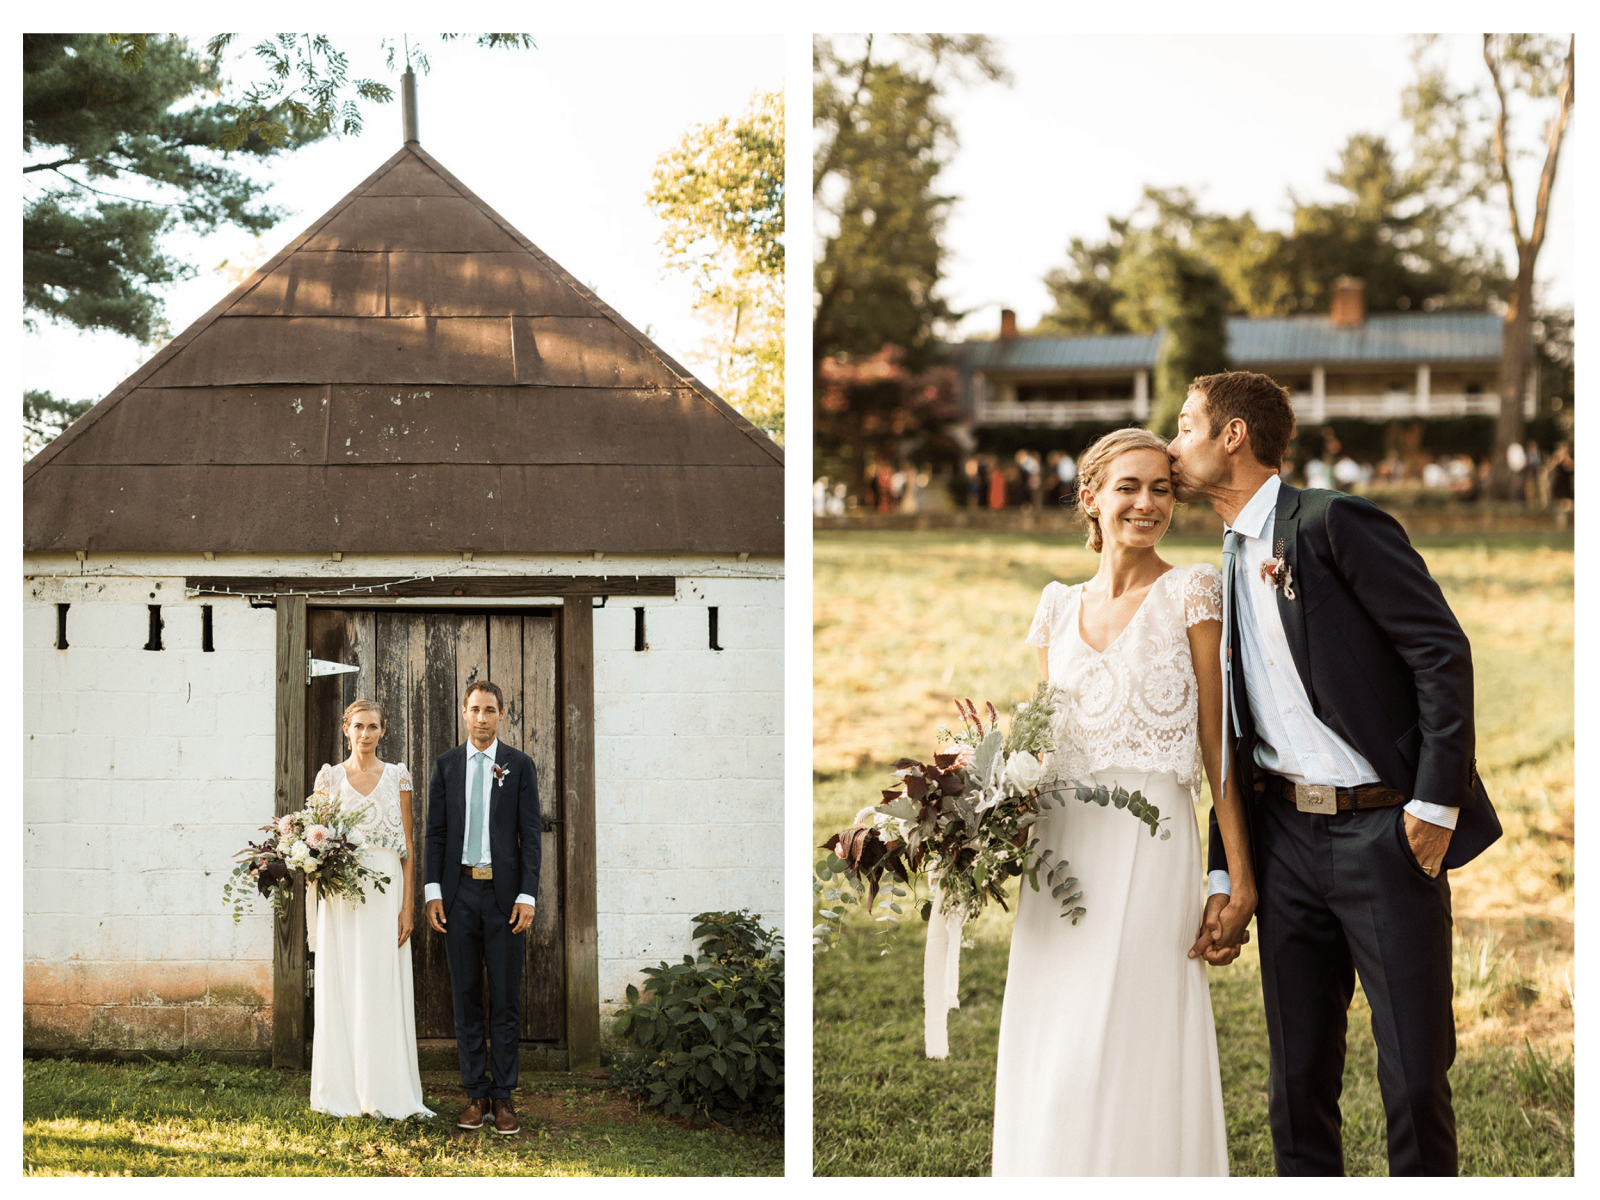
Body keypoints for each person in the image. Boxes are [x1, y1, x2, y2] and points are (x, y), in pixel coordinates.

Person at [1168, 370, 1502, 1177]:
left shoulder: (1331, 523)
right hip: (1283, 840)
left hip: (1385, 833)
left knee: (1415, 1076)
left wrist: (1433, 801)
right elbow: (1236, 736)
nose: (1173, 446)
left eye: (1185, 427)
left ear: (1232, 437)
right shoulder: (1218, 566)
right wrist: (1227, 864)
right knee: (1296, 1081)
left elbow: (1439, 651)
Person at [991, 427, 1256, 1177]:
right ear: (1091, 499)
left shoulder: (1193, 590)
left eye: (1162, 489)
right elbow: (1042, 740)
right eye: (1129, 488)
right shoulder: (1054, 606)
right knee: (1061, 1041)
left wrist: (1240, 876)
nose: (1147, 503)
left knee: (1132, 1026)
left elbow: (1218, 744)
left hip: (1153, 843)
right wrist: (983, 804)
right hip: (1062, 852)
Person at [424, 682, 542, 1136]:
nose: (481, 718)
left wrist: (527, 895)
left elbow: (530, 835)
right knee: (467, 996)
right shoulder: (446, 766)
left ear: (502, 714)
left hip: (505, 900)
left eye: (490, 710)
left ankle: (503, 1097)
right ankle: (475, 1094)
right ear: (463, 712)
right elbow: (435, 833)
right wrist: (434, 891)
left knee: (506, 1000)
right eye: (474, 710)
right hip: (458, 897)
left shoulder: (519, 765)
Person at [308, 699, 433, 1120]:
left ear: (383, 731)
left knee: (380, 983)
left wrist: (408, 906)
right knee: (342, 982)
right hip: (341, 893)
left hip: (385, 891)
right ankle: (341, 1091)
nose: (365, 734)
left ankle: (386, 1088)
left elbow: (408, 846)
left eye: (372, 727)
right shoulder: (328, 778)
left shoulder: (397, 776)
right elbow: (315, 838)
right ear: (346, 729)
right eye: (357, 726)